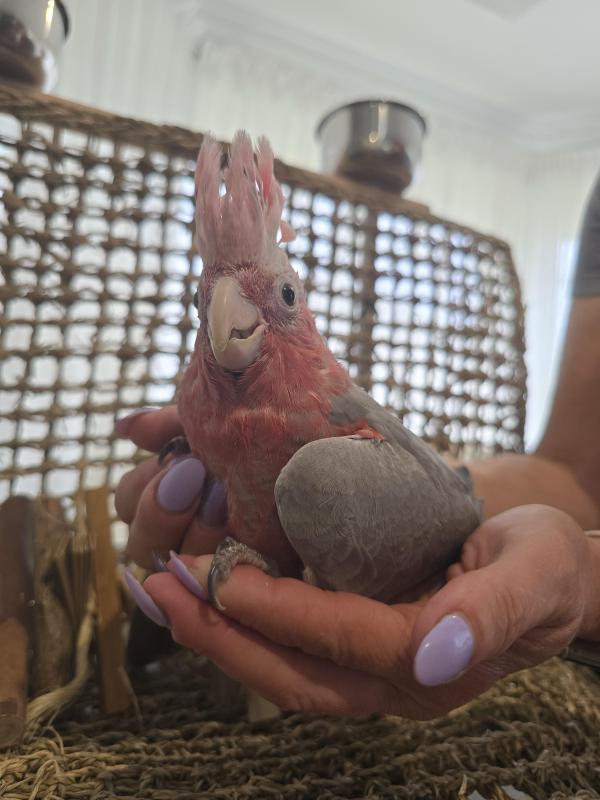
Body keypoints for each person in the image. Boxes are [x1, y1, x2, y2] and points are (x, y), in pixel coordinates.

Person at [115, 174, 600, 719]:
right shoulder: (199, 407)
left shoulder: (319, 454)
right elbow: (577, 474)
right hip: (436, 500)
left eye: (285, 298)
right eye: (205, 304)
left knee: (315, 483)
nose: (227, 315)